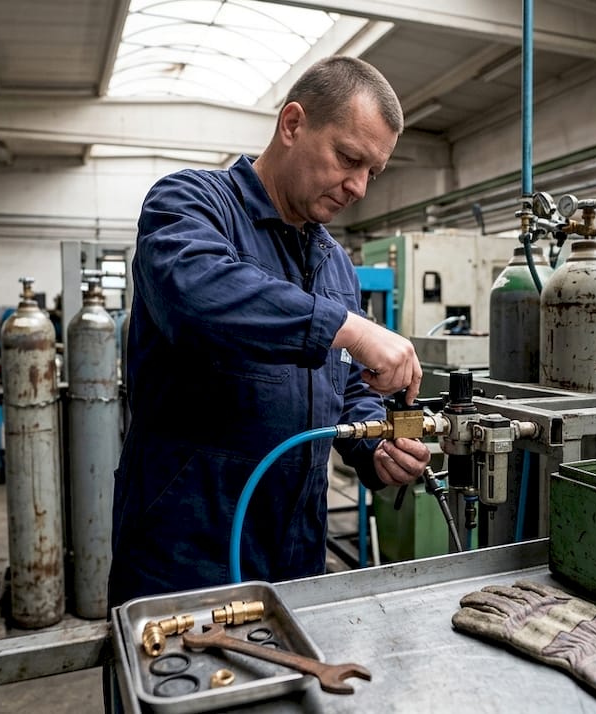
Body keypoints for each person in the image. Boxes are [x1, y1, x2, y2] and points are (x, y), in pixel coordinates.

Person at [109, 56, 432, 604]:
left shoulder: (334, 264)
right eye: (348, 158)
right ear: (292, 124)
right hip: (185, 557)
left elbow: (346, 386)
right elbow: (199, 295)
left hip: (296, 554)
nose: (358, 187)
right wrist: (348, 326)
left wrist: (374, 448)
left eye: (371, 172)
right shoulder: (190, 203)